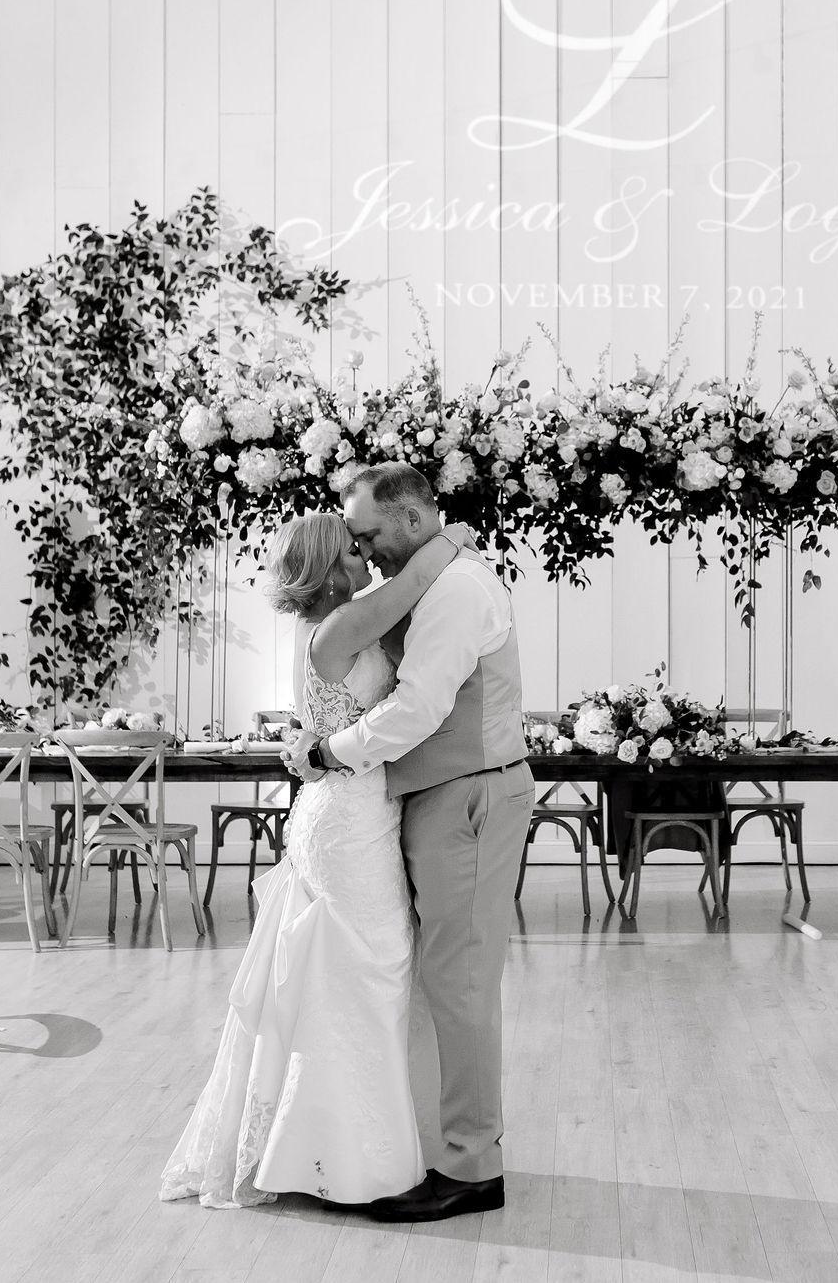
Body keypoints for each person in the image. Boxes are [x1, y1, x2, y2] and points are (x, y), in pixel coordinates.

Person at [159, 508, 475, 1209]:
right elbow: (415, 582)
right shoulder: (340, 626)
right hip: (346, 822)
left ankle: (330, 1146)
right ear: (331, 566)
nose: (368, 558)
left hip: (346, 809)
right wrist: (449, 538)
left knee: (354, 971)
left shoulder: (332, 625)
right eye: (355, 550)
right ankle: (349, 1157)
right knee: (368, 969)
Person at [284, 462, 534, 1224]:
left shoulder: (455, 590)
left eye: (370, 535)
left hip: (469, 795)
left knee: (459, 982)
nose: (366, 551)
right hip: (426, 800)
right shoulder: (429, 577)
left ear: (414, 520)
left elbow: (420, 706)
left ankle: (471, 1166)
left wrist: (328, 751)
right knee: (434, 979)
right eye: (354, 542)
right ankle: (427, 1141)